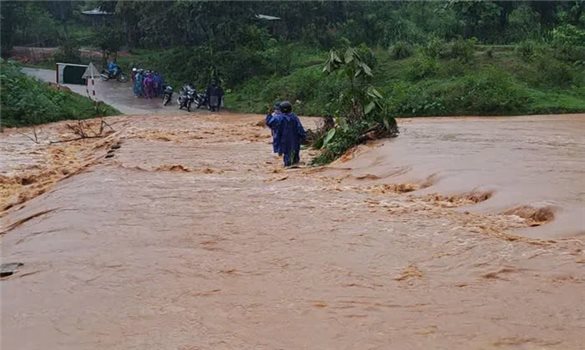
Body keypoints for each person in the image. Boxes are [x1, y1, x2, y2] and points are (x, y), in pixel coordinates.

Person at [273, 101, 306, 167]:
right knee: (295, 155)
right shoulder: (294, 117)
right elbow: (300, 128)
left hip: (284, 141)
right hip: (295, 140)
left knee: (287, 157)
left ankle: (288, 165)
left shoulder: (278, 118)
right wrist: (303, 137)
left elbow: (276, 132)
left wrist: (277, 147)